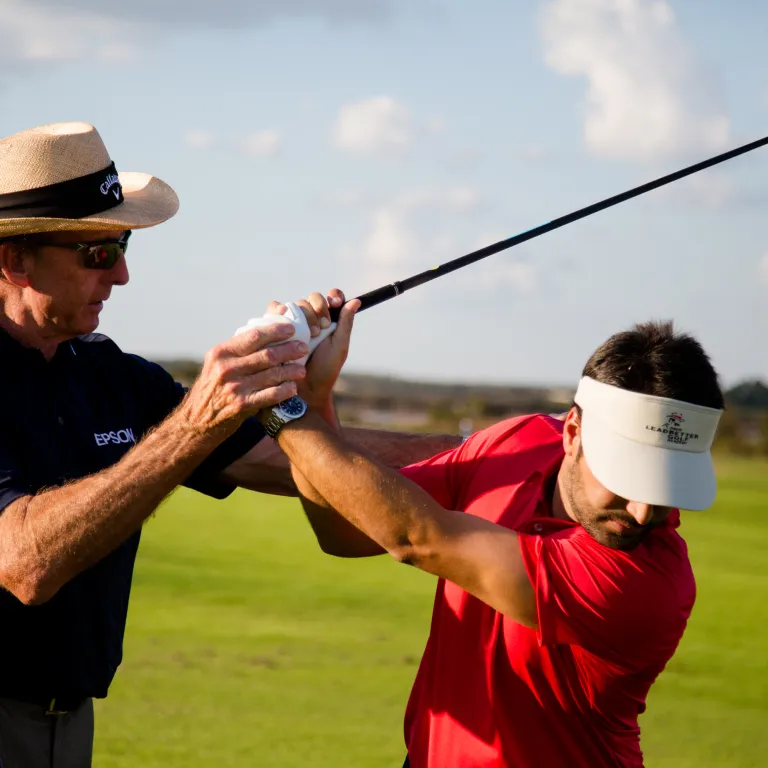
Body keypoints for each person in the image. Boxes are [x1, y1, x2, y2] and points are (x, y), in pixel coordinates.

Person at [0, 122, 460, 768]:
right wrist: (193, 426)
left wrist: (509, 447)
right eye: (97, 252)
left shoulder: (112, 377)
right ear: (14, 259)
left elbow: (288, 456)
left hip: (72, 730)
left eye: (123, 244)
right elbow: (24, 562)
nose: (124, 274)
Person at [265, 298, 725, 768]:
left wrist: (280, 404)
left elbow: (413, 536)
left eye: (667, 486)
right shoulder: (520, 441)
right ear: (572, 433)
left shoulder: (647, 584)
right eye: (627, 478)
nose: (644, 511)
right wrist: (314, 397)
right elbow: (344, 532)